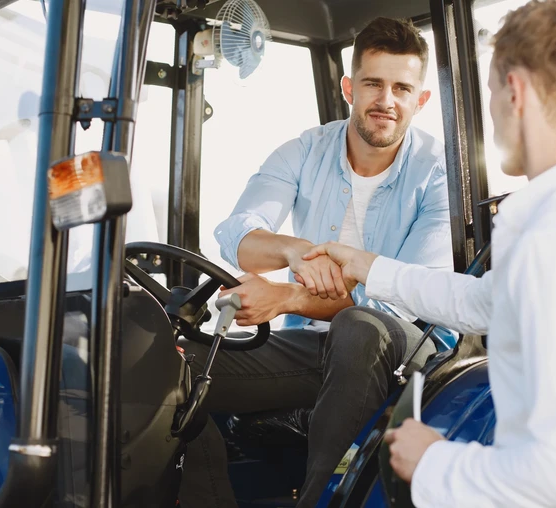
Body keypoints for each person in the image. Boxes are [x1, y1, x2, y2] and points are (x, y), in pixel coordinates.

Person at [300, 1, 556, 506]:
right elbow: (484, 303)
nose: (492, 110)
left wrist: (432, 459)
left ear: (515, 92)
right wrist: (370, 266)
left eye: (493, 91)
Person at [179, 17, 454, 508]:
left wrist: (286, 296)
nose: (385, 100)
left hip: (411, 354)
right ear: (350, 87)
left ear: (420, 100)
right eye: (373, 83)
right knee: (172, 366)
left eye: (401, 88)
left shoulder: (439, 174)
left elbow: (401, 299)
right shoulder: (306, 150)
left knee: (359, 324)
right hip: (315, 348)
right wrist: (291, 250)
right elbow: (236, 232)